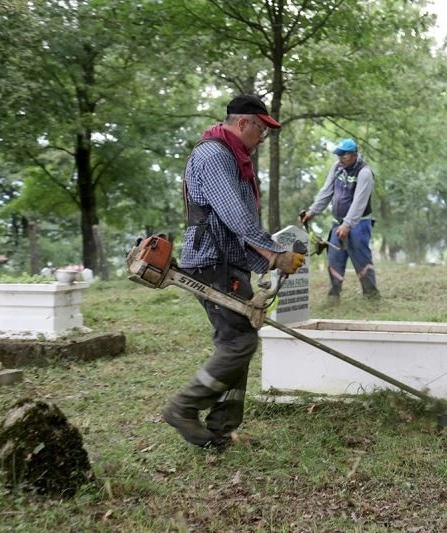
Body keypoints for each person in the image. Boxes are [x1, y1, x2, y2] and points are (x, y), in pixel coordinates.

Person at [162, 94, 305, 448]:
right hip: (212, 263)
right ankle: (183, 407)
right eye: (261, 130)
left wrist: (267, 260)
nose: (263, 138)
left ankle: (219, 430)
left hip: (227, 263)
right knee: (240, 342)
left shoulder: (231, 156)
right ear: (243, 123)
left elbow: (237, 223)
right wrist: (275, 256)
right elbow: (235, 216)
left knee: (238, 339)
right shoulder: (214, 155)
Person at [299, 138, 380, 302]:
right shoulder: (337, 168)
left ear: (354, 155)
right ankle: (333, 297)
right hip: (338, 222)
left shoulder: (364, 173)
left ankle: (371, 296)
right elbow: (326, 191)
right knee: (334, 258)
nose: (340, 158)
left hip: (359, 223)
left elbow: (359, 202)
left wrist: (347, 224)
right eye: (338, 154)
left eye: (344, 155)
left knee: (361, 258)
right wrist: (313, 211)